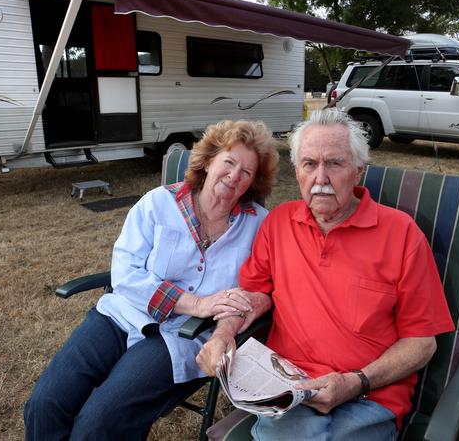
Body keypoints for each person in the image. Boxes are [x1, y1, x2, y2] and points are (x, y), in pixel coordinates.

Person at [197, 109, 455, 440]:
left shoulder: (402, 234)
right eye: (309, 164)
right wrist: (223, 335)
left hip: (369, 395)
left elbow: (422, 343)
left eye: (334, 163)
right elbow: (254, 295)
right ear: (298, 172)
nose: (320, 178)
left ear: (358, 171)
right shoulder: (278, 224)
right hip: (291, 390)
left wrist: (356, 381)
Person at [24, 120, 279, 440]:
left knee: (100, 422)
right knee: (45, 404)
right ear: (209, 160)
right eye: (228, 162)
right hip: (120, 316)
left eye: (247, 171)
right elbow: (126, 273)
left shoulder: (259, 225)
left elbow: (262, 286)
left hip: (180, 337)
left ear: (254, 182)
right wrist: (196, 303)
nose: (234, 175)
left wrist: (238, 309)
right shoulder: (158, 203)